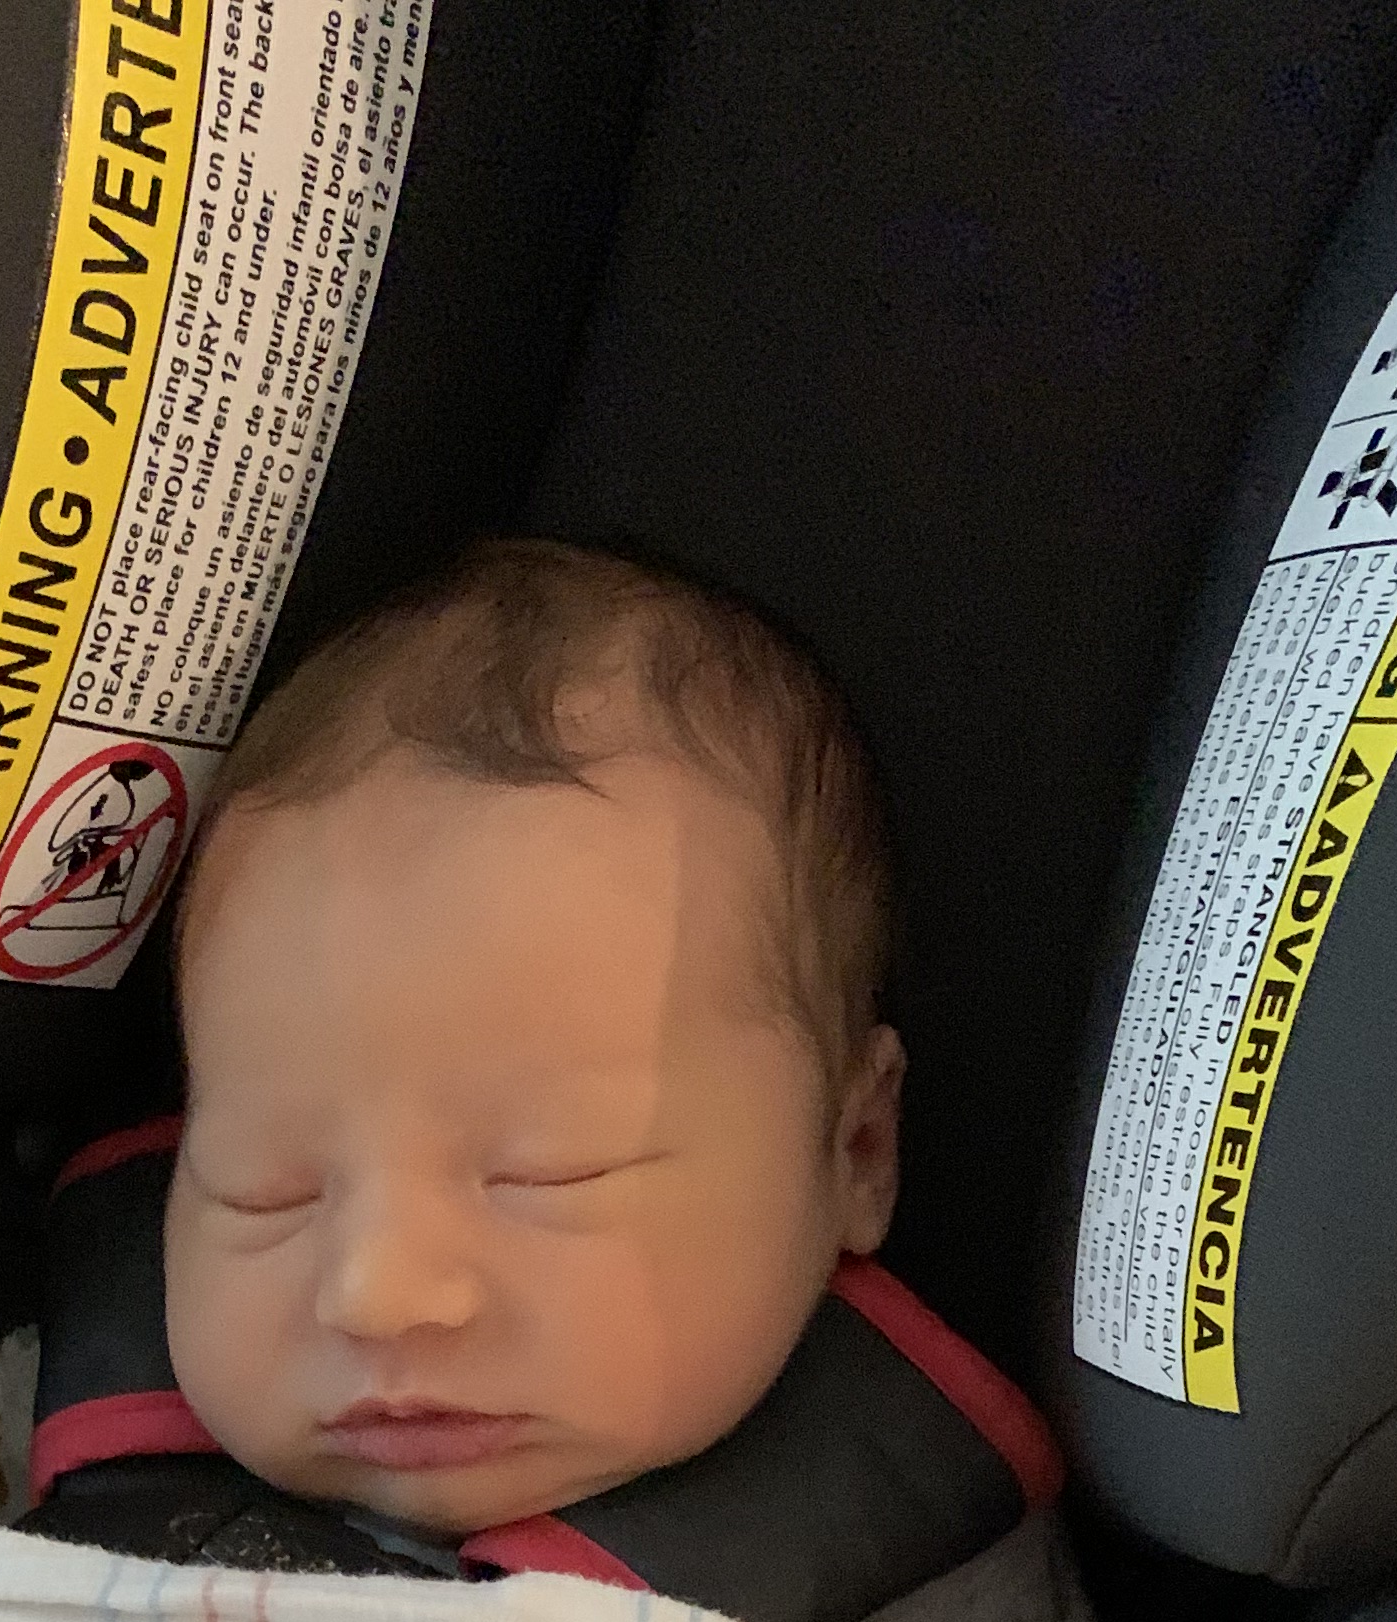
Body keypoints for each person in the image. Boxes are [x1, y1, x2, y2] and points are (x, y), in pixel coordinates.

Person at [160, 533, 905, 1544]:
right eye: (263, 1187)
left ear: (857, 1149)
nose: (376, 1292)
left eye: (555, 1171)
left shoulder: (937, 1597)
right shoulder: (29, 1423)